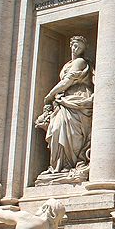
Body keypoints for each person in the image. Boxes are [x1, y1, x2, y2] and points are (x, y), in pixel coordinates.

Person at [36, 36, 94, 173]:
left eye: (79, 47)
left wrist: (50, 95)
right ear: (70, 46)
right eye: (74, 46)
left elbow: (67, 82)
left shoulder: (80, 62)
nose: (76, 49)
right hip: (64, 100)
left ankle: (69, 164)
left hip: (77, 98)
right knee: (56, 130)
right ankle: (59, 165)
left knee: (72, 133)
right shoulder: (67, 64)